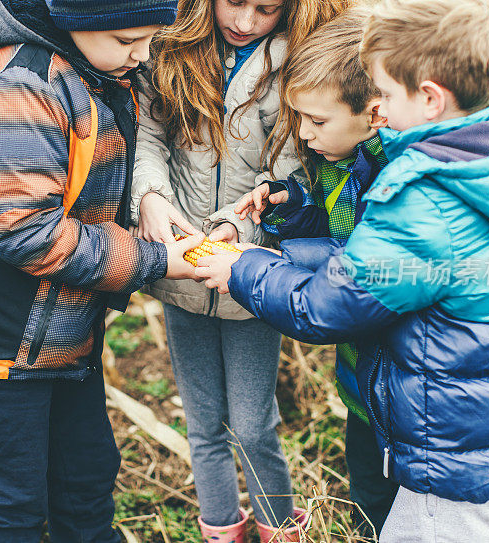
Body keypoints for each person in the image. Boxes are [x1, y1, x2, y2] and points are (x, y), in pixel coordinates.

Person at [195, 0, 489, 541]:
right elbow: (364, 261)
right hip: (459, 417)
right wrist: (288, 227)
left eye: (383, 92)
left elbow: (330, 305)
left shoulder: (427, 199)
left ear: (429, 98)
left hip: (444, 438)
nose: (376, 109)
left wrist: (242, 268)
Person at [0, 0, 207, 540]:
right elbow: (27, 234)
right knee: (9, 505)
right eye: (128, 41)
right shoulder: (22, 90)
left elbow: (92, 174)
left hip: (62, 335)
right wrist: (153, 259)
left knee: (85, 478)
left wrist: (146, 200)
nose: (143, 55)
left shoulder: (96, 65)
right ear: (81, 19)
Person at [131, 0, 350, 540]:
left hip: (251, 281)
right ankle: (221, 528)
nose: (245, 22)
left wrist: (240, 230)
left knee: (253, 426)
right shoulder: (173, 49)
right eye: (235, 2)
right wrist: (151, 197)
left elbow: (294, 168)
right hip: (182, 272)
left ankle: (279, 527)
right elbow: (148, 135)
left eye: (266, 8)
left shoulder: (299, 63)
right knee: (203, 425)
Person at [232, 8, 397, 537]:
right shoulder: (337, 159)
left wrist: (261, 264)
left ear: (374, 114)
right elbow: (328, 219)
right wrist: (286, 203)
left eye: (316, 121)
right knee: (368, 499)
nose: (302, 134)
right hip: (363, 387)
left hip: (405, 392)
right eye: (298, 117)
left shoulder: (403, 182)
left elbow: (356, 270)